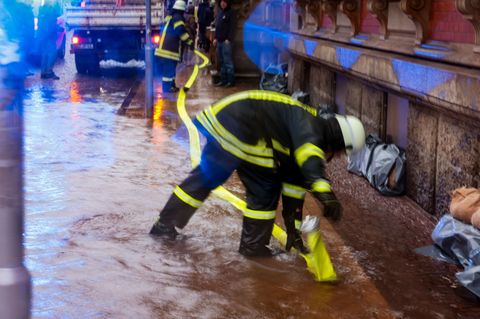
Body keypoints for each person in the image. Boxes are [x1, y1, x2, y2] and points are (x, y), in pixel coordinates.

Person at [150, 90, 366, 257]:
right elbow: (310, 161)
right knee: (265, 187)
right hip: (238, 127)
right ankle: (253, 249)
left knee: (206, 177)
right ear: (339, 140)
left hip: (230, 122)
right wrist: (326, 194)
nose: (335, 156)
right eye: (339, 152)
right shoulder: (311, 129)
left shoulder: (309, 125)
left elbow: (294, 184)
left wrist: (294, 230)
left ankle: (164, 225)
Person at [155, 0, 194, 93]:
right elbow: (180, 31)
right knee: (168, 72)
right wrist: (189, 41)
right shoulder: (178, 18)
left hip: (164, 48)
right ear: (182, 10)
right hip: (169, 50)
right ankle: (166, 90)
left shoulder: (171, 16)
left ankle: (171, 86)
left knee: (171, 69)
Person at [213, 0, 235, 87]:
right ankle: (223, 80)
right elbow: (217, 26)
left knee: (228, 62)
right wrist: (215, 38)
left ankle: (230, 81)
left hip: (226, 42)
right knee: (221, 62)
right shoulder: (220, 12)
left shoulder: (231, 13)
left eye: (225, 2)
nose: (223, 3)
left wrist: (228, 38)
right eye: (221, 2)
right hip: (219, 41)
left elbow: (233, 27)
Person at [38, 0, 62, 80]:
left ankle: (43, 72)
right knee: (52, 53)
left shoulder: (41, 9)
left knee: (45, 53)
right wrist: (58, 28)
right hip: (50, 35)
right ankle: (49, 71)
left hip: (43, 35)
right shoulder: (51, 10)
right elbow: (52, 23)